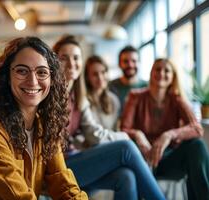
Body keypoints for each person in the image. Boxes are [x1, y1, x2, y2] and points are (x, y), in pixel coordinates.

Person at [0, 37, 88, 199]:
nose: (33, 81)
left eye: (42, 72)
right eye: (22, 71)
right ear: (6, 77)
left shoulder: (45, 124)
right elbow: (18, 197)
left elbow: (63, 183)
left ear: (52, 79)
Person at [53, 35, 165, 200]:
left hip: (75, 159)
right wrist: (125, 137)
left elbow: (92, 132)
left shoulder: (77, 96)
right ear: (54, 62)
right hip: (58, 167)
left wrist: (122, 136)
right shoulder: (50, 96)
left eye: (76, 57)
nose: (71, 63)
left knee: (126, 177)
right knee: (126, 147)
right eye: (64, 58)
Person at [121, 58, 209, 200]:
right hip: (142, 158)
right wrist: (137, 134)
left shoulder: (176, 98)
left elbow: (197, 129)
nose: (161, 73)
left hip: (169, 159)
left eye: (166, 70)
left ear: (172, 77)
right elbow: (123, 129)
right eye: (157, 69)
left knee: (197, 145)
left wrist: (169, 135)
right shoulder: (135, 97)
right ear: (151, 73)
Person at [84, 55, 120, 130]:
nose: (100, 77)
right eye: (95, 74)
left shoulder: (114, 100)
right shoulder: (83, 100)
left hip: (110, 140)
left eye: (103, 72)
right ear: (87, 77)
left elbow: (115, 129)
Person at [109, 45, 147, 112]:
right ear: (119, 64)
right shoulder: (110, 86)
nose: (130, 65)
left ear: (139, 63)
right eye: (125, 61)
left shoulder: (147, 87)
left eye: (134, 61)